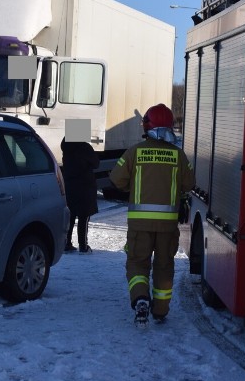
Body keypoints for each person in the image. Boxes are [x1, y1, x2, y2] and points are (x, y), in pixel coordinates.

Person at [109, 103, 195, 328]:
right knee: (164, 267)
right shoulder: (179, 155)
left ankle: (140, 298)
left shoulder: (134, 152)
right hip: (168, 227)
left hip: (140, 225)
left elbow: (116, 180)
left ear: (147, 126)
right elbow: (189, 184)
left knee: (137, 264)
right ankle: (160, 310)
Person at [60, 137, 99, 253]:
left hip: (69, 185)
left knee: (70, 216)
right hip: (84, 186)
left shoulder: (66, 148)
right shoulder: (85, 147)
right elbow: (96, 163)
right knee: (84, 216)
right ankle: (83, 246)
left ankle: (67, 244)